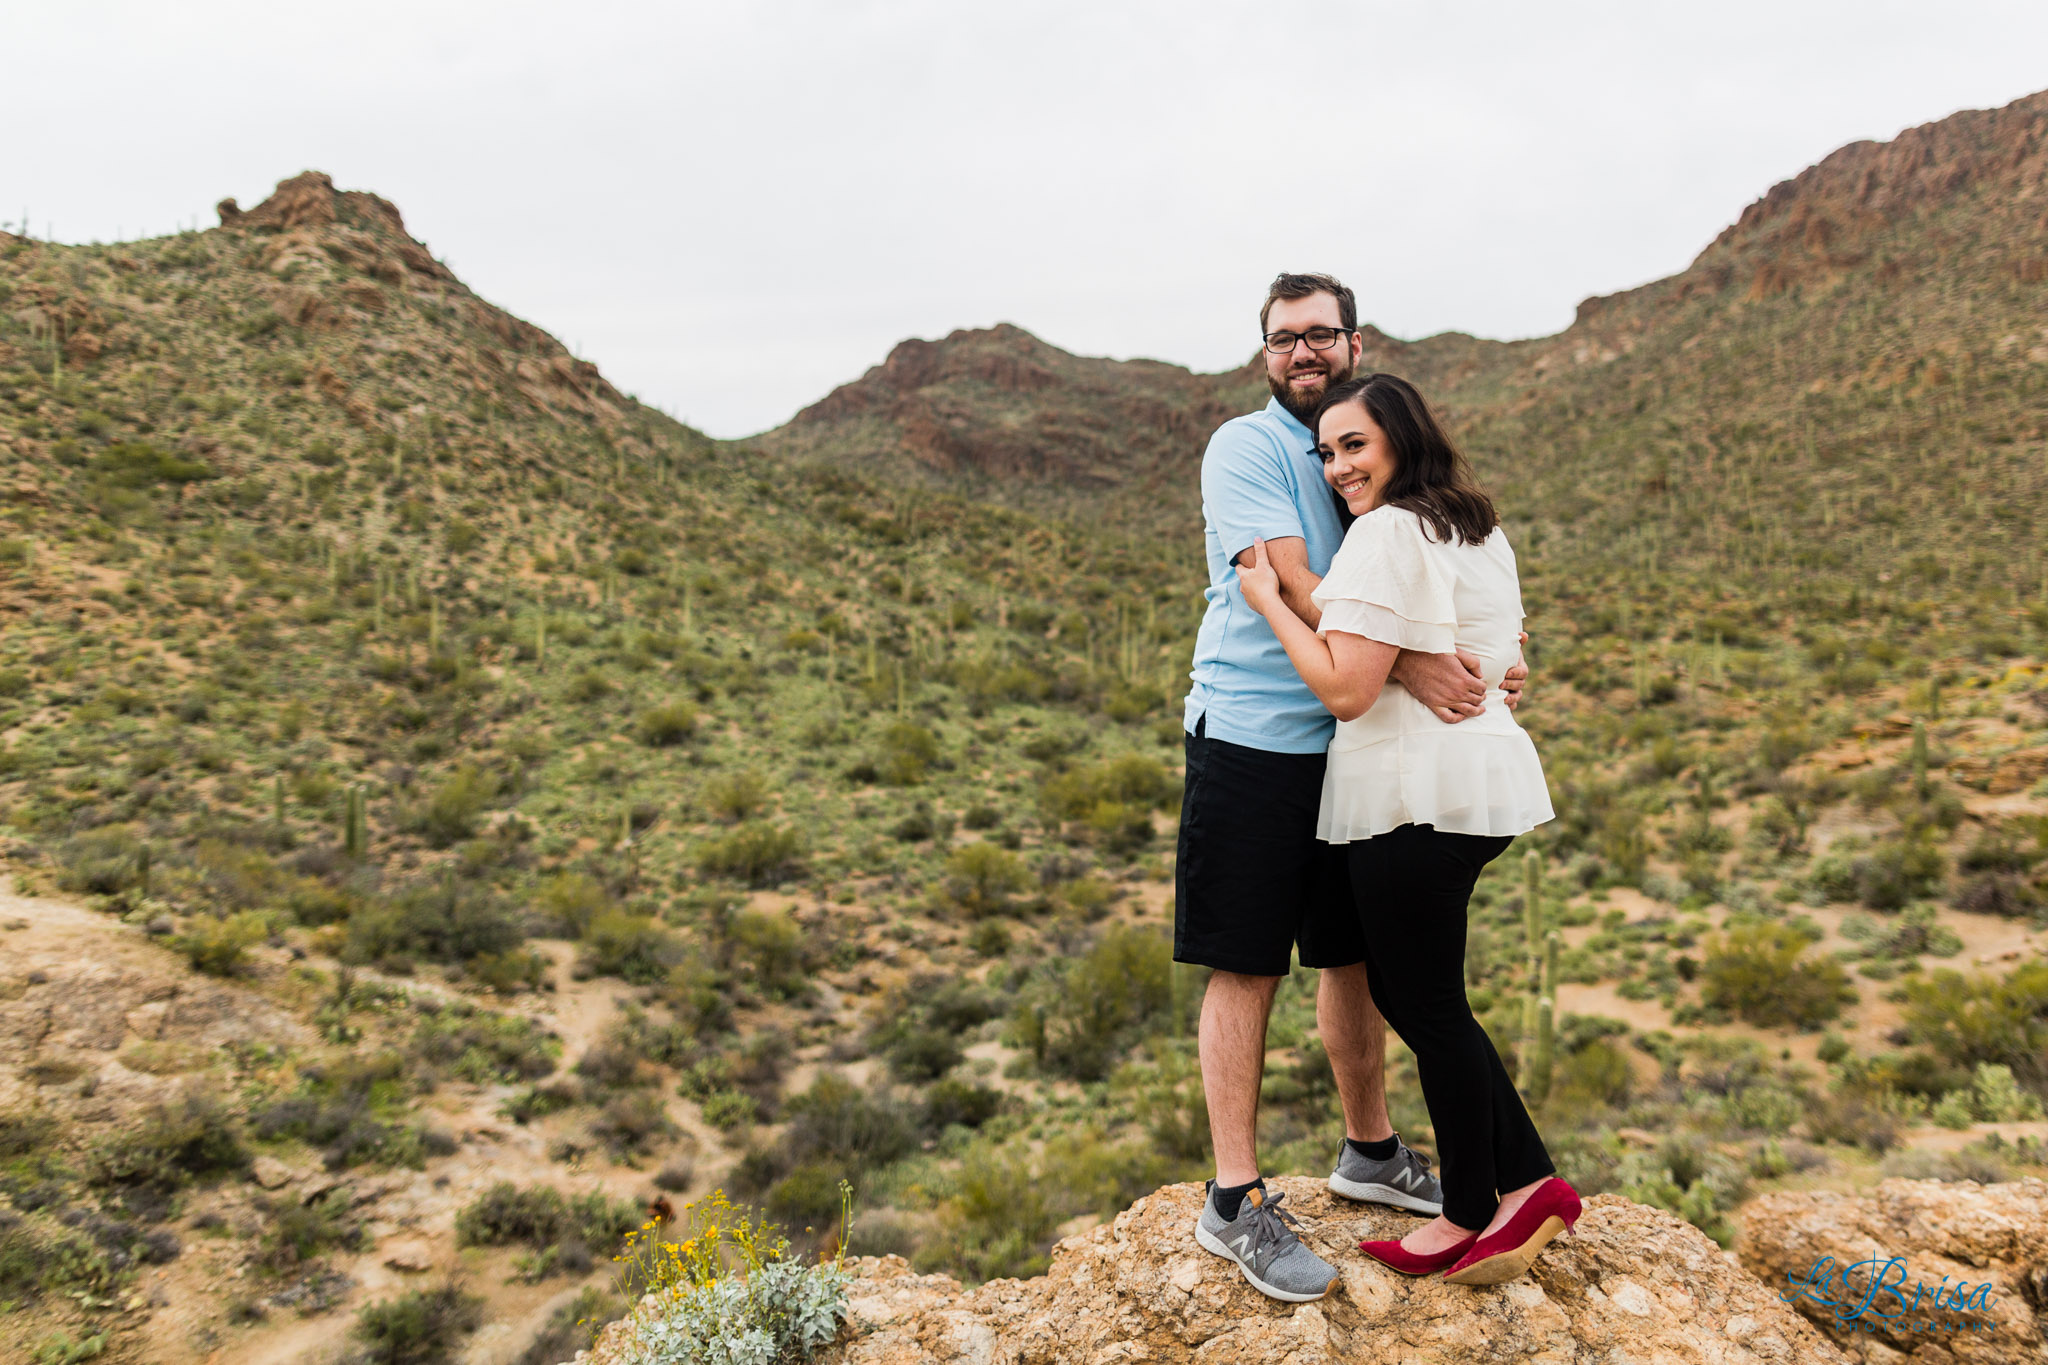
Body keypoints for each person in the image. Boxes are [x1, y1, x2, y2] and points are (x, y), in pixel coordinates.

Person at [1181, 274, 1528, 1302]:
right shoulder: (1247, 449)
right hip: (1254, 734)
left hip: (1356, 747)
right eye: (1283, 338)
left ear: (1351, 342)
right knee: (1244, 961)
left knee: (1353, 955)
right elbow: (1289, 579)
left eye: (1319, 334)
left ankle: (1368, 1153)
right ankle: (1234, 1200)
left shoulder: (1363, 445)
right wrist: (1414, 663)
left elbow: (1438, 570)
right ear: (1263, 354)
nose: (1302, 351)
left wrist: (1485, 651)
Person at [1234, 371, 1580, 1286]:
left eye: (1356, 444)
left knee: (1424, 1001)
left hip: (1412, 790)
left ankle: (1478, 1206)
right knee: (1419, 992)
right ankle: (1528, 1180)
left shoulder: (1387, 532)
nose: (1341, 466)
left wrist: (1268, 599)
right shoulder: (1475, 525)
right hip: (1474, 783)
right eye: (1328, 452)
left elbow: (1348, 685)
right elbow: (1501, 651)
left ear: (1399, 435)